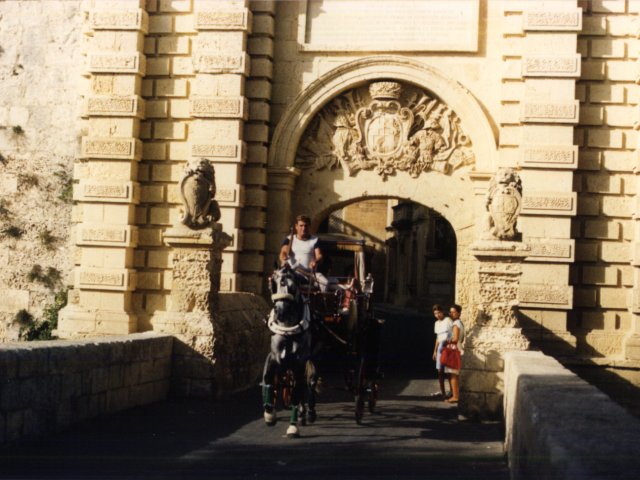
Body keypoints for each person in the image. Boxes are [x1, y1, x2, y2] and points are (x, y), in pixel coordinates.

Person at [279, 215, 328, 290]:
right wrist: (283, 259)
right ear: (296, 226)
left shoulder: (315, 240)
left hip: (310, 274)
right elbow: (283, 252)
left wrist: (315, 261)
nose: (304, 228)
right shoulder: (289, 239)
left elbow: (319, 256)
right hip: (294, 272)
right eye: (301, 226)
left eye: (306, 226)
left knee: (324, 282)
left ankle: (321, 301)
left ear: (309, 226)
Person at [431, 304, 453, 400]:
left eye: (439, 313)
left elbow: (452, 334)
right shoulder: (436, 323)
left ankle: (452, 392)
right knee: (440, 371)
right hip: (440, 347)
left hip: (448, 347)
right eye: (435, 313)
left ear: (442, 312)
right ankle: (443, 392)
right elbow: (437, 338)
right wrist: (435, 351)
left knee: (448, 371)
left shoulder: (448, 320)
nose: (437, 315)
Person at [445, 304, 465, 404]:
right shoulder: (460, 323)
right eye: (450, 312)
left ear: (458, 313)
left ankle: (455, 396)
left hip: (454, 349)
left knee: (453, 374)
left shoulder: (456, 323)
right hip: (458, 348)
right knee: (454, 374)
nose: (451, 314)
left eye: (453, 312)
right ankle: (456, 394)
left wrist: (448, 341)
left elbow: (455, 339)